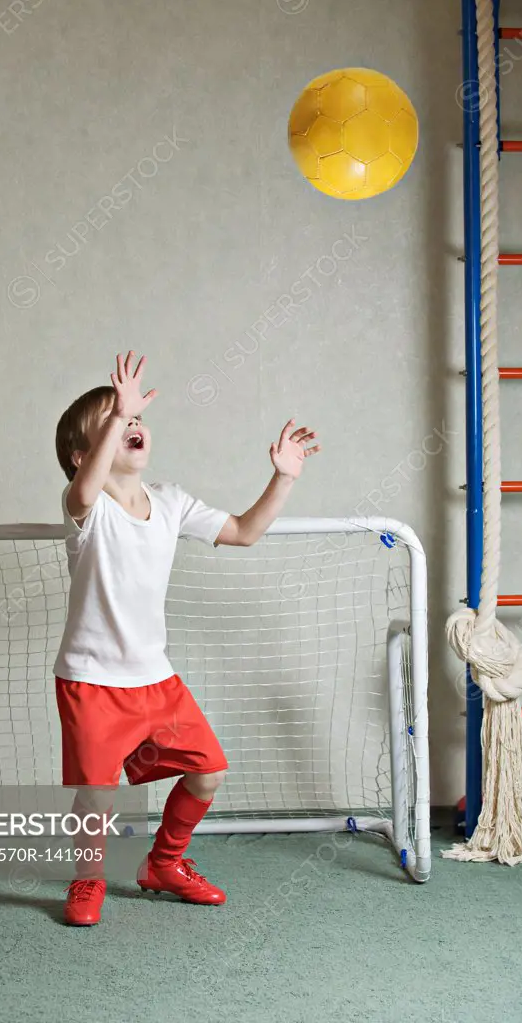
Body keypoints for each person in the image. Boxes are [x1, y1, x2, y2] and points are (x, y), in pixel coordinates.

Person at [54, 351, 320, 925]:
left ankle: (163, 864)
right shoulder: (88, 508)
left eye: (133, 419)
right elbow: (81, 493)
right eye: (113, 422)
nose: (130, 425)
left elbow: (246, 533)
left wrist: (284, 476)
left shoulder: (172, 501)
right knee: (97, 796)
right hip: (91, 681)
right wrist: (115, 415)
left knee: (208, 770)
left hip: (155, 680)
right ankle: (87, 880)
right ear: (83, 457)